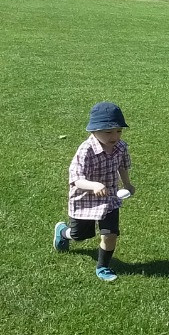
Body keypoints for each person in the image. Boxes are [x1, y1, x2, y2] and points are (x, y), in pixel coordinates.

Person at [52, 102, 135, 282]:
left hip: (109, 198)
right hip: (85, 198)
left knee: (110, 234)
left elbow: (123, 166)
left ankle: (103, 267)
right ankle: (62, 232)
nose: (115, 136)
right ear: (94, 131)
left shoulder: (121, 147)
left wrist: (127, 184)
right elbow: (76, 179)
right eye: (108, 132)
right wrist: (94, 185)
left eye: (118, 131)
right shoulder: (85, 150)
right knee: (80, 235)